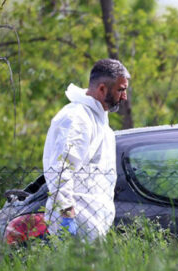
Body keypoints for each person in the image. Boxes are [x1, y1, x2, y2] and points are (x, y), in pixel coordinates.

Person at [43, 58, 130, 241]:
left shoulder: (98, 120)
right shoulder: (76, 118)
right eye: (121, 90)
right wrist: (67, 214)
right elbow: (60, 169)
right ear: (102, 89)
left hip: (91, 224)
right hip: (75, 221)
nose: (124, 97)